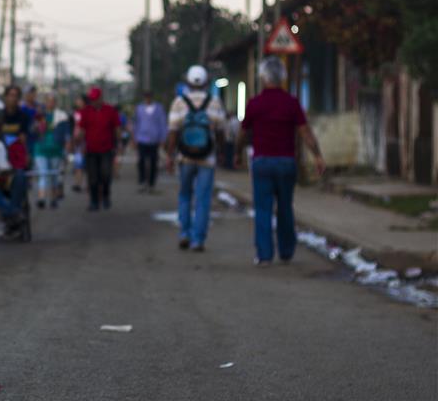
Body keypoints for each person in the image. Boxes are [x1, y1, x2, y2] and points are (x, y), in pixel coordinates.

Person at [236, 56, 327, 266]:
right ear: (282, 78)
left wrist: (236, 153)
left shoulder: (254, 104)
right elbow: (306, 133)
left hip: (262, 163)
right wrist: (318, 156)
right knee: (285, 207)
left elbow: (242, 133)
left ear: (262, 77)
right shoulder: (291, 103)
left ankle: (265, 255)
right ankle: (286, 251)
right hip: (286, 163)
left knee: (263, 209)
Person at [166, 65, 227, 251]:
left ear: (188, 82)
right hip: (207, 158)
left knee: (185, 195)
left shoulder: (179, 102)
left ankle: (184, 232)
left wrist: (170, 156)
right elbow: (221, 131)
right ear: (206, 82)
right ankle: (198, 240)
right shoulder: (215, 101)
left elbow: (173, 133)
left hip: (185, 157)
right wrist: (222, 152)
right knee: (203, 198)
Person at [73, 86, 121, 210]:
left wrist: (119, 143)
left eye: (95, 99)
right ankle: (94, 201)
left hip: (106, 149)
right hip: (91, 150)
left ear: (101, 98)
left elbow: (116, 129)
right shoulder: (86, 112)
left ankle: (105, 196)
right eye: (91, 99)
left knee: (105, 174)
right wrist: (78, 142)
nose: (93, 101)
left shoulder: (110, 111)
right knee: (93, 178)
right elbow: (82, 129)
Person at [32, 92, 68, 209]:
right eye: (48, 100)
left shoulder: (61, 116)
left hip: (55, 149)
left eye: (53, 101)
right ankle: (42, 198)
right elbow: (32, 131)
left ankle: (53, 198)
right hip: (41, 149)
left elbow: (66, 134)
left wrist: (66, 149)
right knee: (43, 174)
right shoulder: (38, 115)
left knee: (54, 175)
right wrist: (37, 126)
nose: (50, 103)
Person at [132, 90, 168, 193]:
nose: (147, 99)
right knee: (141, 161)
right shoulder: (139, 108)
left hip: (154, 139)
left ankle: (152, 183)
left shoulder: (159, 108)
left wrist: (163, 138)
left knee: (153, 162)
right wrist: (134, 137)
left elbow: (162, 123)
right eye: (145, 97)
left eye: (149, 97)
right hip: (142, 138)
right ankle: (142, 181)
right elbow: (136, 124)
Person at [70, 95, 87, 193]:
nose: (77, 102)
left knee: (84, 164)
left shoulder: (87, 112)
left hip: (85, 141)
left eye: (79, 100)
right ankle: (77, 183)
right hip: (77, 141)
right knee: (78, 163)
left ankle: (85, 184)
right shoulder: (75, 113)